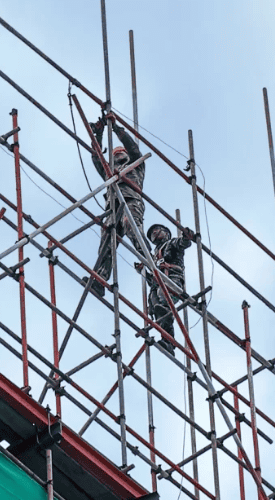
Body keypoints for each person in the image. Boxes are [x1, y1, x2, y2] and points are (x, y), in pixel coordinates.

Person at [84, 114, 148, 297]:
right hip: (112, 208)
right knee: (106, 243)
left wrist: (117, 129)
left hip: (129, 201)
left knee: (132, 227)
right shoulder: (109, 172)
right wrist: (98, 133)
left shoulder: (136, 165)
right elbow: (96, 156)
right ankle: (100, 280)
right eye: (115, 154)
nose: (118, 154)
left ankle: (150, 263)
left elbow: (134, 148)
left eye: (121, 152)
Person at [140, 223, 194, 353]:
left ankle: (168, 340)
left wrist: (187, 236)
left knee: (163, 297)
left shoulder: (171, 244)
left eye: (157, 231)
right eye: (153, 234)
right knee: (158, 311)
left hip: (172, 279)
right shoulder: (152, 257)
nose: (155, 234)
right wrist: (143, 272)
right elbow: (151, 278)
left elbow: (183, 243)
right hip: (157, 284)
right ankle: (168, 340)